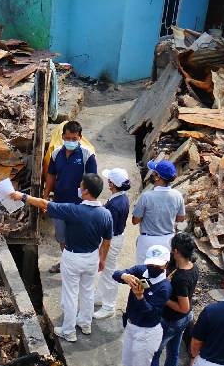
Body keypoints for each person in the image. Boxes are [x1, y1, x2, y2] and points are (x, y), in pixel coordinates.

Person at [8, 173, 112, 342]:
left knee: (70, 294)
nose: (78, 188)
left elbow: (44, 203)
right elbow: (107, 241)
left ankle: (68, 330)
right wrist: (103, 259)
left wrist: (22, 196)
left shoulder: (74, 210)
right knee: (87, 292)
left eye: (80, 186)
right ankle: (85, 324)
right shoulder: (106, 214)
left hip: (73, 257)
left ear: (85, 191)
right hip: (92, 257)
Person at [105, 244, 172, 366]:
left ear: (166, 264)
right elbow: (115, 274)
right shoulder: (141, 270)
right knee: (128, 363)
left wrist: (140, 297)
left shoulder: (164, 287)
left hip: (147, 332)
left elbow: (152, 312)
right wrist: (125, 276)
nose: (153, 268)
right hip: (132, 326)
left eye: (158, 265)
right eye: (151, 264)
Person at [146, 232, 199, 366]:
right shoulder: (192, 266)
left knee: (154, 354)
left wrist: (163, 297)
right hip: (184, 320)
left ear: (176, 251)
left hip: (171, 320)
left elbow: (183, 306)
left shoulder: (180, 278)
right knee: (173, 352)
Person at [43, 121, 97, 273]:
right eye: (68, 138)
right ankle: (66, 263)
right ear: (62, 137)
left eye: (74, 138)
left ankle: (77, 267)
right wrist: (46, 196)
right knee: (61, 236)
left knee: (77, 236)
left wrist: (89, 203)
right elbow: (51, 175)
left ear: (80, 137)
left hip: (79, 205)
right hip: (59, 202)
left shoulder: (87, 155)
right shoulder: (56, 153)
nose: (71, 141)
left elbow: (92, 180)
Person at [94, 168, 132, 320]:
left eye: (109, 181)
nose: (107, 183)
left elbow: (108, 233)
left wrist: (102, 252)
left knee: (109, 272)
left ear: (113, 184)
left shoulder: (115, 205)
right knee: (107, 271)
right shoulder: (120, 198)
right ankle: (100, 296)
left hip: (112, 240)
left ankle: (109, 306)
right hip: (116, 237)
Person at [132, 159, 185, 264]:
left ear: (157, 177)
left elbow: (135, 221)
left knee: (142, 274)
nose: (151, 174)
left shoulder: (146, 196)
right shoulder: (177, 195)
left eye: (153, 173)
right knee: (161, 274)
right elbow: (181, 218)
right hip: (168, 241)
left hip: (147, 242)